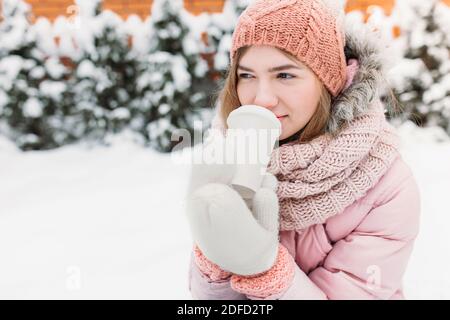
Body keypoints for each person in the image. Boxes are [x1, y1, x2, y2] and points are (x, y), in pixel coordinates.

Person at [185, 0, 421, 300]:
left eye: (285, 75)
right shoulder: (229, 157)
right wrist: (215, 260)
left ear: (329, 82)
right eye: (246, 75)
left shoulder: (386, 186)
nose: (262, 98)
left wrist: (266, 271)